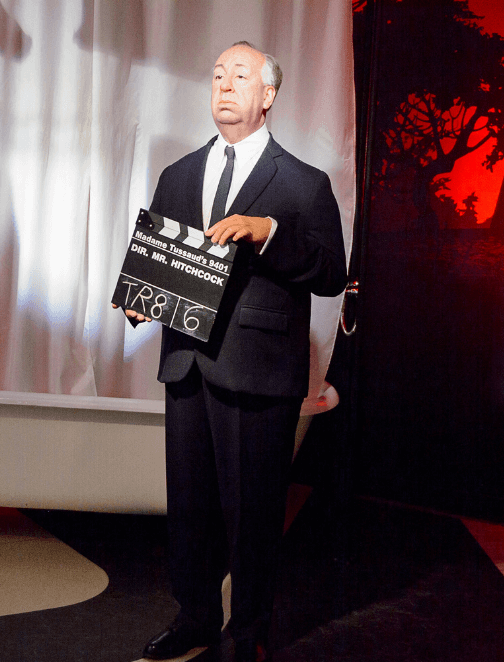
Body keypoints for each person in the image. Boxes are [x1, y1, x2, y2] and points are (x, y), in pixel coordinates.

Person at [113, 41, 347, 662]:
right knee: (189, 505)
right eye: (216, 74)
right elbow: (164, 269)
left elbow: (331, 271)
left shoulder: (304, 182)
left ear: (268, 96)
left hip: (259, 371)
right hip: (186, 361)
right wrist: (143, 299)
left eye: (239, 75)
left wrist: (269, 232)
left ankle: (248, 634)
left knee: (253, 512)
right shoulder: (178, 174)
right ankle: (194, 617)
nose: (224, 84)